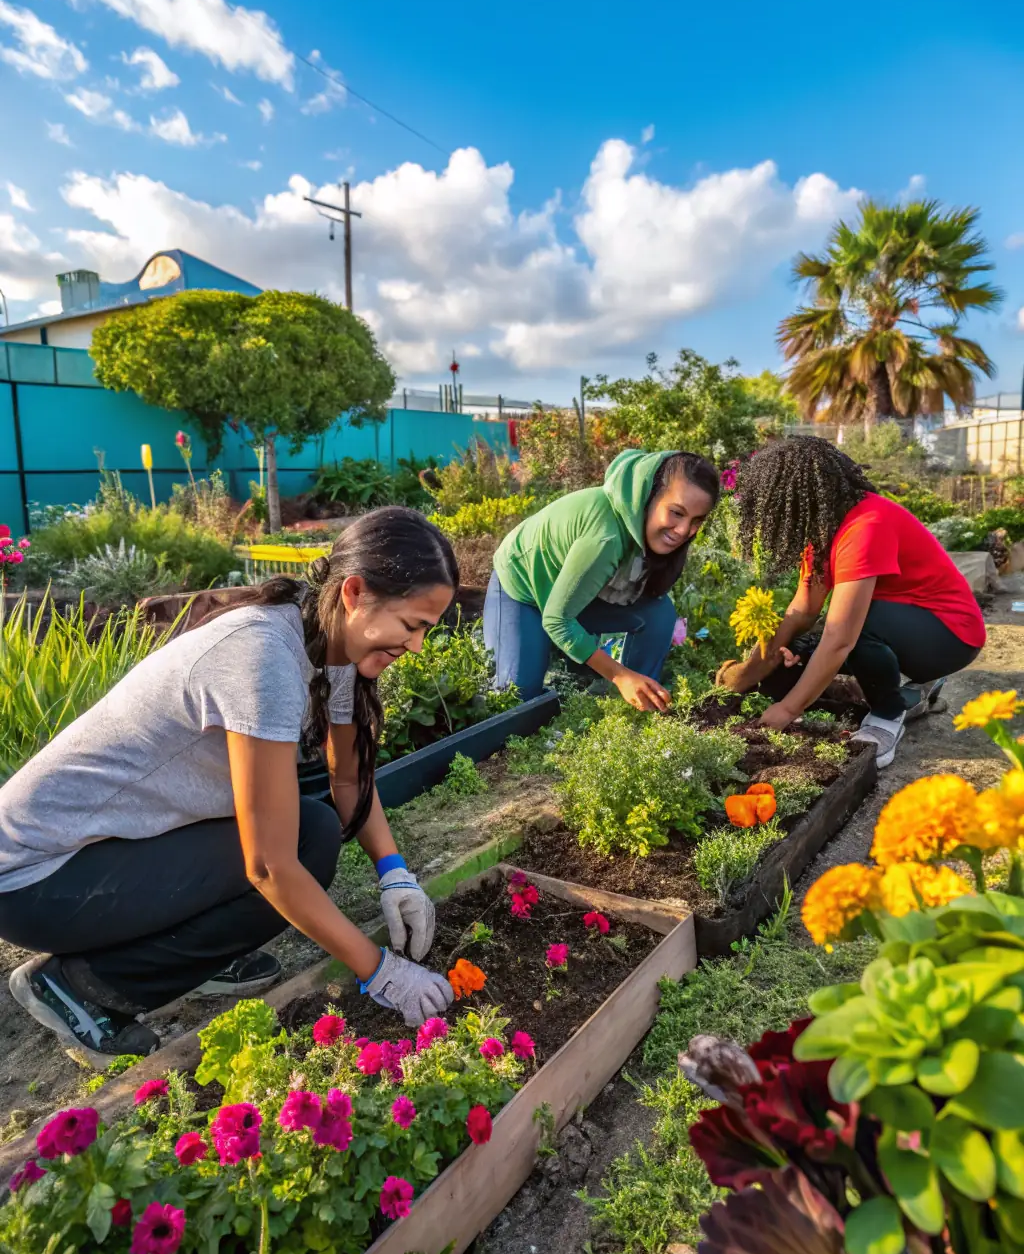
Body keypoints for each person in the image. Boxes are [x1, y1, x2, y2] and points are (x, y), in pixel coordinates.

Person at [0, 507, 460, 1066]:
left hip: (114, 848)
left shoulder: (328, 645)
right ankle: (80, 986)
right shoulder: (262, 657)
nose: (415, 646)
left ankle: (196, 951)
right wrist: (382, 972)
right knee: (291, 853)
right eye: (411, 625)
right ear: (355, 592)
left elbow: (345, 775)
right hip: (36, 877)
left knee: (312, 829)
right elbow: (267, 867)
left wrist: (396, 874)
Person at [719, 437, 986, 767]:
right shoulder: (823, 532)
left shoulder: (866, 525)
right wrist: (748, 675)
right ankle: (913, 695)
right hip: (900, 628)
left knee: (853, 626)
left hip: (950, 636)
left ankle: (887, 716)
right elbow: (800, 612)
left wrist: (789, 709)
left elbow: (841, 638)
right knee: (795, 655)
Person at [485, 449, 720, 711]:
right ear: (649, 495)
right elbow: (557, 619)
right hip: (523, 589)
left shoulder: (641, 524)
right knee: (515, 701)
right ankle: (537, 648)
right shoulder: (605, 538)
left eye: (696, 520)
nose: (684, 531)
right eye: (677, 512)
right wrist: (620, 675)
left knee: (658, 614)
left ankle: (636, 705)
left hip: (571, 594)